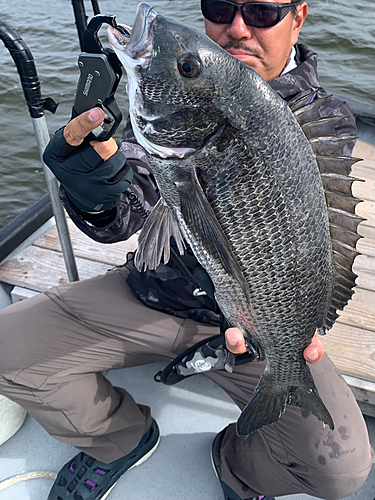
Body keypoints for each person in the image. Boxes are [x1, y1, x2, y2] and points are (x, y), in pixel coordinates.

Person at [0, 0, 373, 499]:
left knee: (340, 471)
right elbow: (125, 217)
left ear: (298, 17)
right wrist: (96, 192)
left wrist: (291, 330)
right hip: (154, 296)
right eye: (220, 7)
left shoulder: (321, 118)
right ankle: (123, 438)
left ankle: (235, 467)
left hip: (261, 324)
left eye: (262, 11)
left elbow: (319, 238)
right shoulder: (175, 107)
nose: (237, 28)